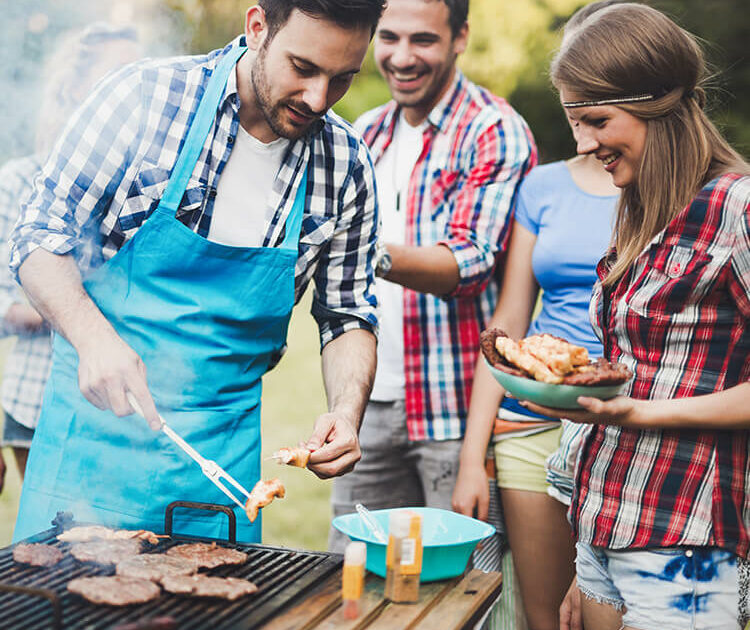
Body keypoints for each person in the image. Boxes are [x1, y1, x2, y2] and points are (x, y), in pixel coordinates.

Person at [9, 0, 385, 544]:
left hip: (219, 472)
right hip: (88, 454)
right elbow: (39, 235)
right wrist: (94, 340)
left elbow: (348, 314)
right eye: (303, 68)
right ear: (257, 27)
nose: (318, 99)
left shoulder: (346, 165)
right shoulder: (142, 99)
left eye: (342, 78)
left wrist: (346, 413)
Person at [521, 4, 750, 629]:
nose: (584, 144)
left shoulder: (737, 207)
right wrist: (585, 555)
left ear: (659, 105)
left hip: (685, 540)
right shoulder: (641, 206)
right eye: (575, 122)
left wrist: (638, 412)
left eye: (596, 120)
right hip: (605, 525)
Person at [328, 0, 536, 553]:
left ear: (460, 36)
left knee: (462, 593)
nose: (400, 57)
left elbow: (467, 264)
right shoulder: (365, 133)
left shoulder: (494, 131)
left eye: (422, 39)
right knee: (351, 577)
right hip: (368, 404)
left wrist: (358, 248)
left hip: (455, 408)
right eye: (388, 37)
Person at [452, 3, 621, 628]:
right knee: (545, 617)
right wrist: (474, 457)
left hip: (626, 425)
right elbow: (507, 327)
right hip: (528, 429)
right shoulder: (543, 188)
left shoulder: (676, 190)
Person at [0, 23, 141, 490]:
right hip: (35, 399)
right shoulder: (18, 181)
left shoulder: (144, 186)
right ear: (72, 88)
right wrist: (68, 306)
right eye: (117, 75)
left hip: (121, 405)